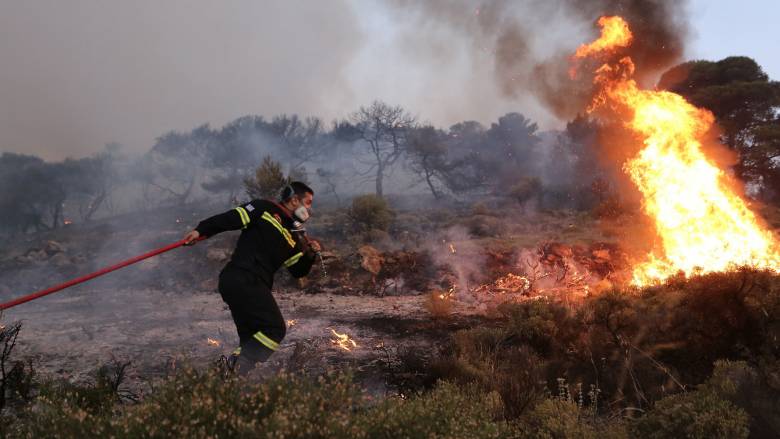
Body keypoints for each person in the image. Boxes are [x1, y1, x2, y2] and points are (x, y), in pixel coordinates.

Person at [183, 181, 321, 374]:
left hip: (251, 284)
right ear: (294, 199)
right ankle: (228, 371)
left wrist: (310, 255)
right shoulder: (264, 208)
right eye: (308, 202)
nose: (309, 208)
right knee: (274, 329)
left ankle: (227, 380)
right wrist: (201, 230)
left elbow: (298, 271)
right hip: (242, 277)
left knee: (251, 340)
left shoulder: (293, 235)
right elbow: (230, 219)